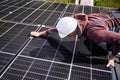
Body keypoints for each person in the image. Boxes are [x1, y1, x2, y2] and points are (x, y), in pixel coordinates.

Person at [30, 13, 120, 68]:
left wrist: (112, 57)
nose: (67, 36)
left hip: (117, 28)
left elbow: (119, 39)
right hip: (110, 18)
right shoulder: (76, 20)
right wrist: (40, 33)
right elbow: (60, 28)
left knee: (107, 48)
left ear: (73, 30)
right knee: (88, 40)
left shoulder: (94, 33)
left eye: (67, 34)